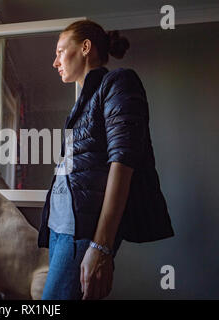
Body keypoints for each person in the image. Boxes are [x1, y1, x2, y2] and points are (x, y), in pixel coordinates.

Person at [38, 19, 174, 300]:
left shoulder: (119, 81)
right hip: (59, 229)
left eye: (60, 51)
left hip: (81, 231)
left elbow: (123, 161)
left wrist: (101, 247)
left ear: (85, 47)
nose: (55, 62)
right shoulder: (81, 104)